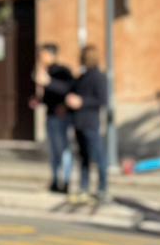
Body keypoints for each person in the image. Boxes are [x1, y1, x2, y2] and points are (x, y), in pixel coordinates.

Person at [65, 45, 109, 203]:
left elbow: (102, 100)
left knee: (98, 157)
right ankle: (84, 187)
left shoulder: (98, 77)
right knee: (83, 158)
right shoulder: (81, 77)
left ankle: (103, 189)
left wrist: (81, 101)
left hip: (90, 123)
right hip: (78, 123)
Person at [33, 43, 74, 194]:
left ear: (51, 55)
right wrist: (38, 99)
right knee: (54, 151)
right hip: (50, 115)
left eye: (43, 54)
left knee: (63, 150)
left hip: (61, 117)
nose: (40, 57)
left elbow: (68, 89)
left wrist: (49, 82)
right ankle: (55, 180)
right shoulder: (46, 71)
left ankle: (66, 180)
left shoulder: (62, 71)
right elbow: (48, 95)